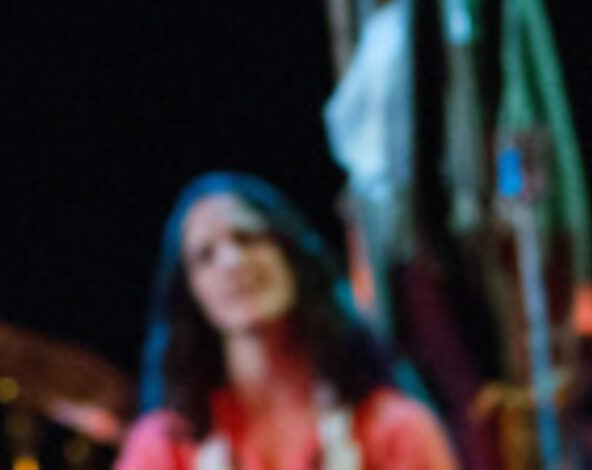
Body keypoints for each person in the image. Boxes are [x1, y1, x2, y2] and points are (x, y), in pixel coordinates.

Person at [115, 175, 458, 470]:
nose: (232, 262)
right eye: (205, 255)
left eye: (247, 238)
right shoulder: (164, 446)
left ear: (290, 255)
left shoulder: (393, 429)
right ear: (191, 293)